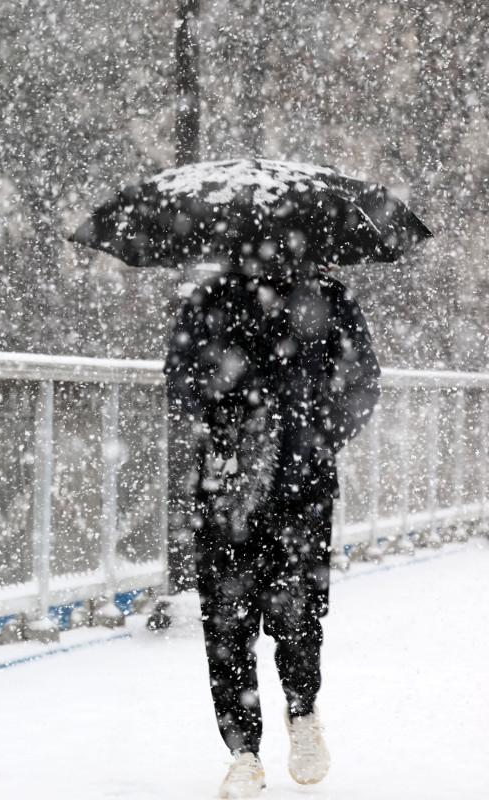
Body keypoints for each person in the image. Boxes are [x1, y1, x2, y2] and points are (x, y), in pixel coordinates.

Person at [164, 255, 381, 799]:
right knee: (226, 623)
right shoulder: (210, 301)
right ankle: (243, 753)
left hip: (299, 488)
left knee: (298, 613)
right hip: (226, 488)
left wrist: (316, 438)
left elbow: (361, 383)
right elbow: (181, 382)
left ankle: (303, 715)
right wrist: (223, 428)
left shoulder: (327, 298)